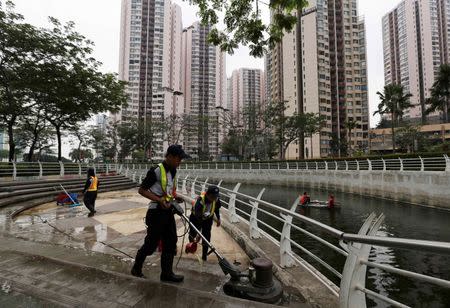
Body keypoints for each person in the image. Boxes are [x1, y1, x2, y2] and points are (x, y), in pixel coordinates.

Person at [131, 145, 190, 283]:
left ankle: (167, 274)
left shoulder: (173, 171)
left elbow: (167, 192)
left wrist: (174, 198)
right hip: (156, 212)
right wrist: (159, 200)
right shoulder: (156, 170)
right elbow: (142, 190)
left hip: (167, 212)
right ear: (169, 156)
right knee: (151, 244)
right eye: (178, 158)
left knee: (170, 242)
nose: (180, 161)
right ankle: (136, 268)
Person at [188, 185, 222, 261]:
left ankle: (204, 256)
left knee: (206, 237)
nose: (214, 199)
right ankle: (192, 246)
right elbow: (198, 217)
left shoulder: (216, 199)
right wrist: (199, 233)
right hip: (195, 218)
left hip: (208, 219)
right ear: (207, 194)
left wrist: (218, 218)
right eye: (212, 197)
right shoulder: (200, 201)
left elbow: (216, 209)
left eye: (215, 197)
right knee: (193, 234)